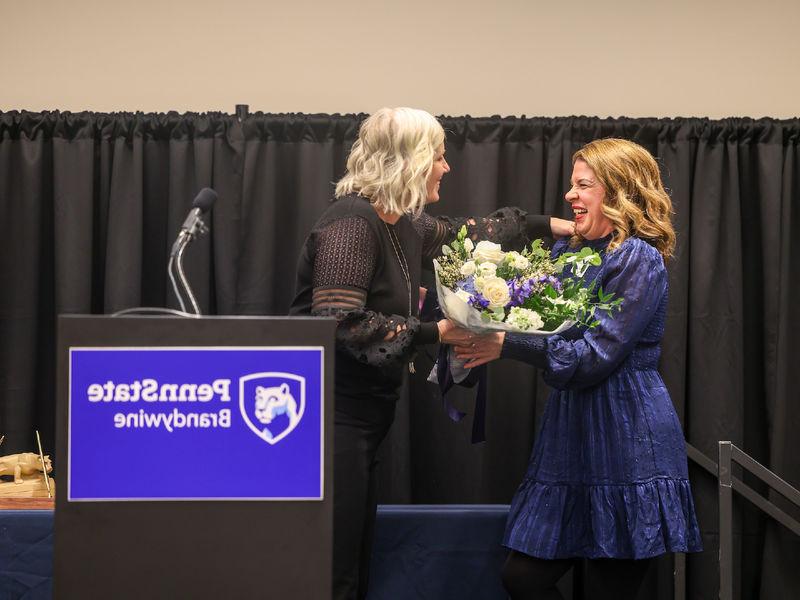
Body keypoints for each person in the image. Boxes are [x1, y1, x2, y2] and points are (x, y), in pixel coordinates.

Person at [289, 107, 573, 600]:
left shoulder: (401, 223)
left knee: (354, 561)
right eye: (440, 157)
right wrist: (433, 331)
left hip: (362, 419)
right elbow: (335, 323)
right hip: (327, 421)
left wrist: (553, 226)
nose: (447, 167)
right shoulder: (352, 223)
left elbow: (471, 232)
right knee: (333, 568)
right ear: (412, 160)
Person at [453, 138, 703, 600]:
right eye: (572, 184)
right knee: (522, 577)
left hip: (627, 435)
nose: (570, 195)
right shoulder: (570, 251)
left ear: (619, 192)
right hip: (572, 435)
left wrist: (507, 343)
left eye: (583, 185)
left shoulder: (638, 259)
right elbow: (551, 331)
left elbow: (592, 357)